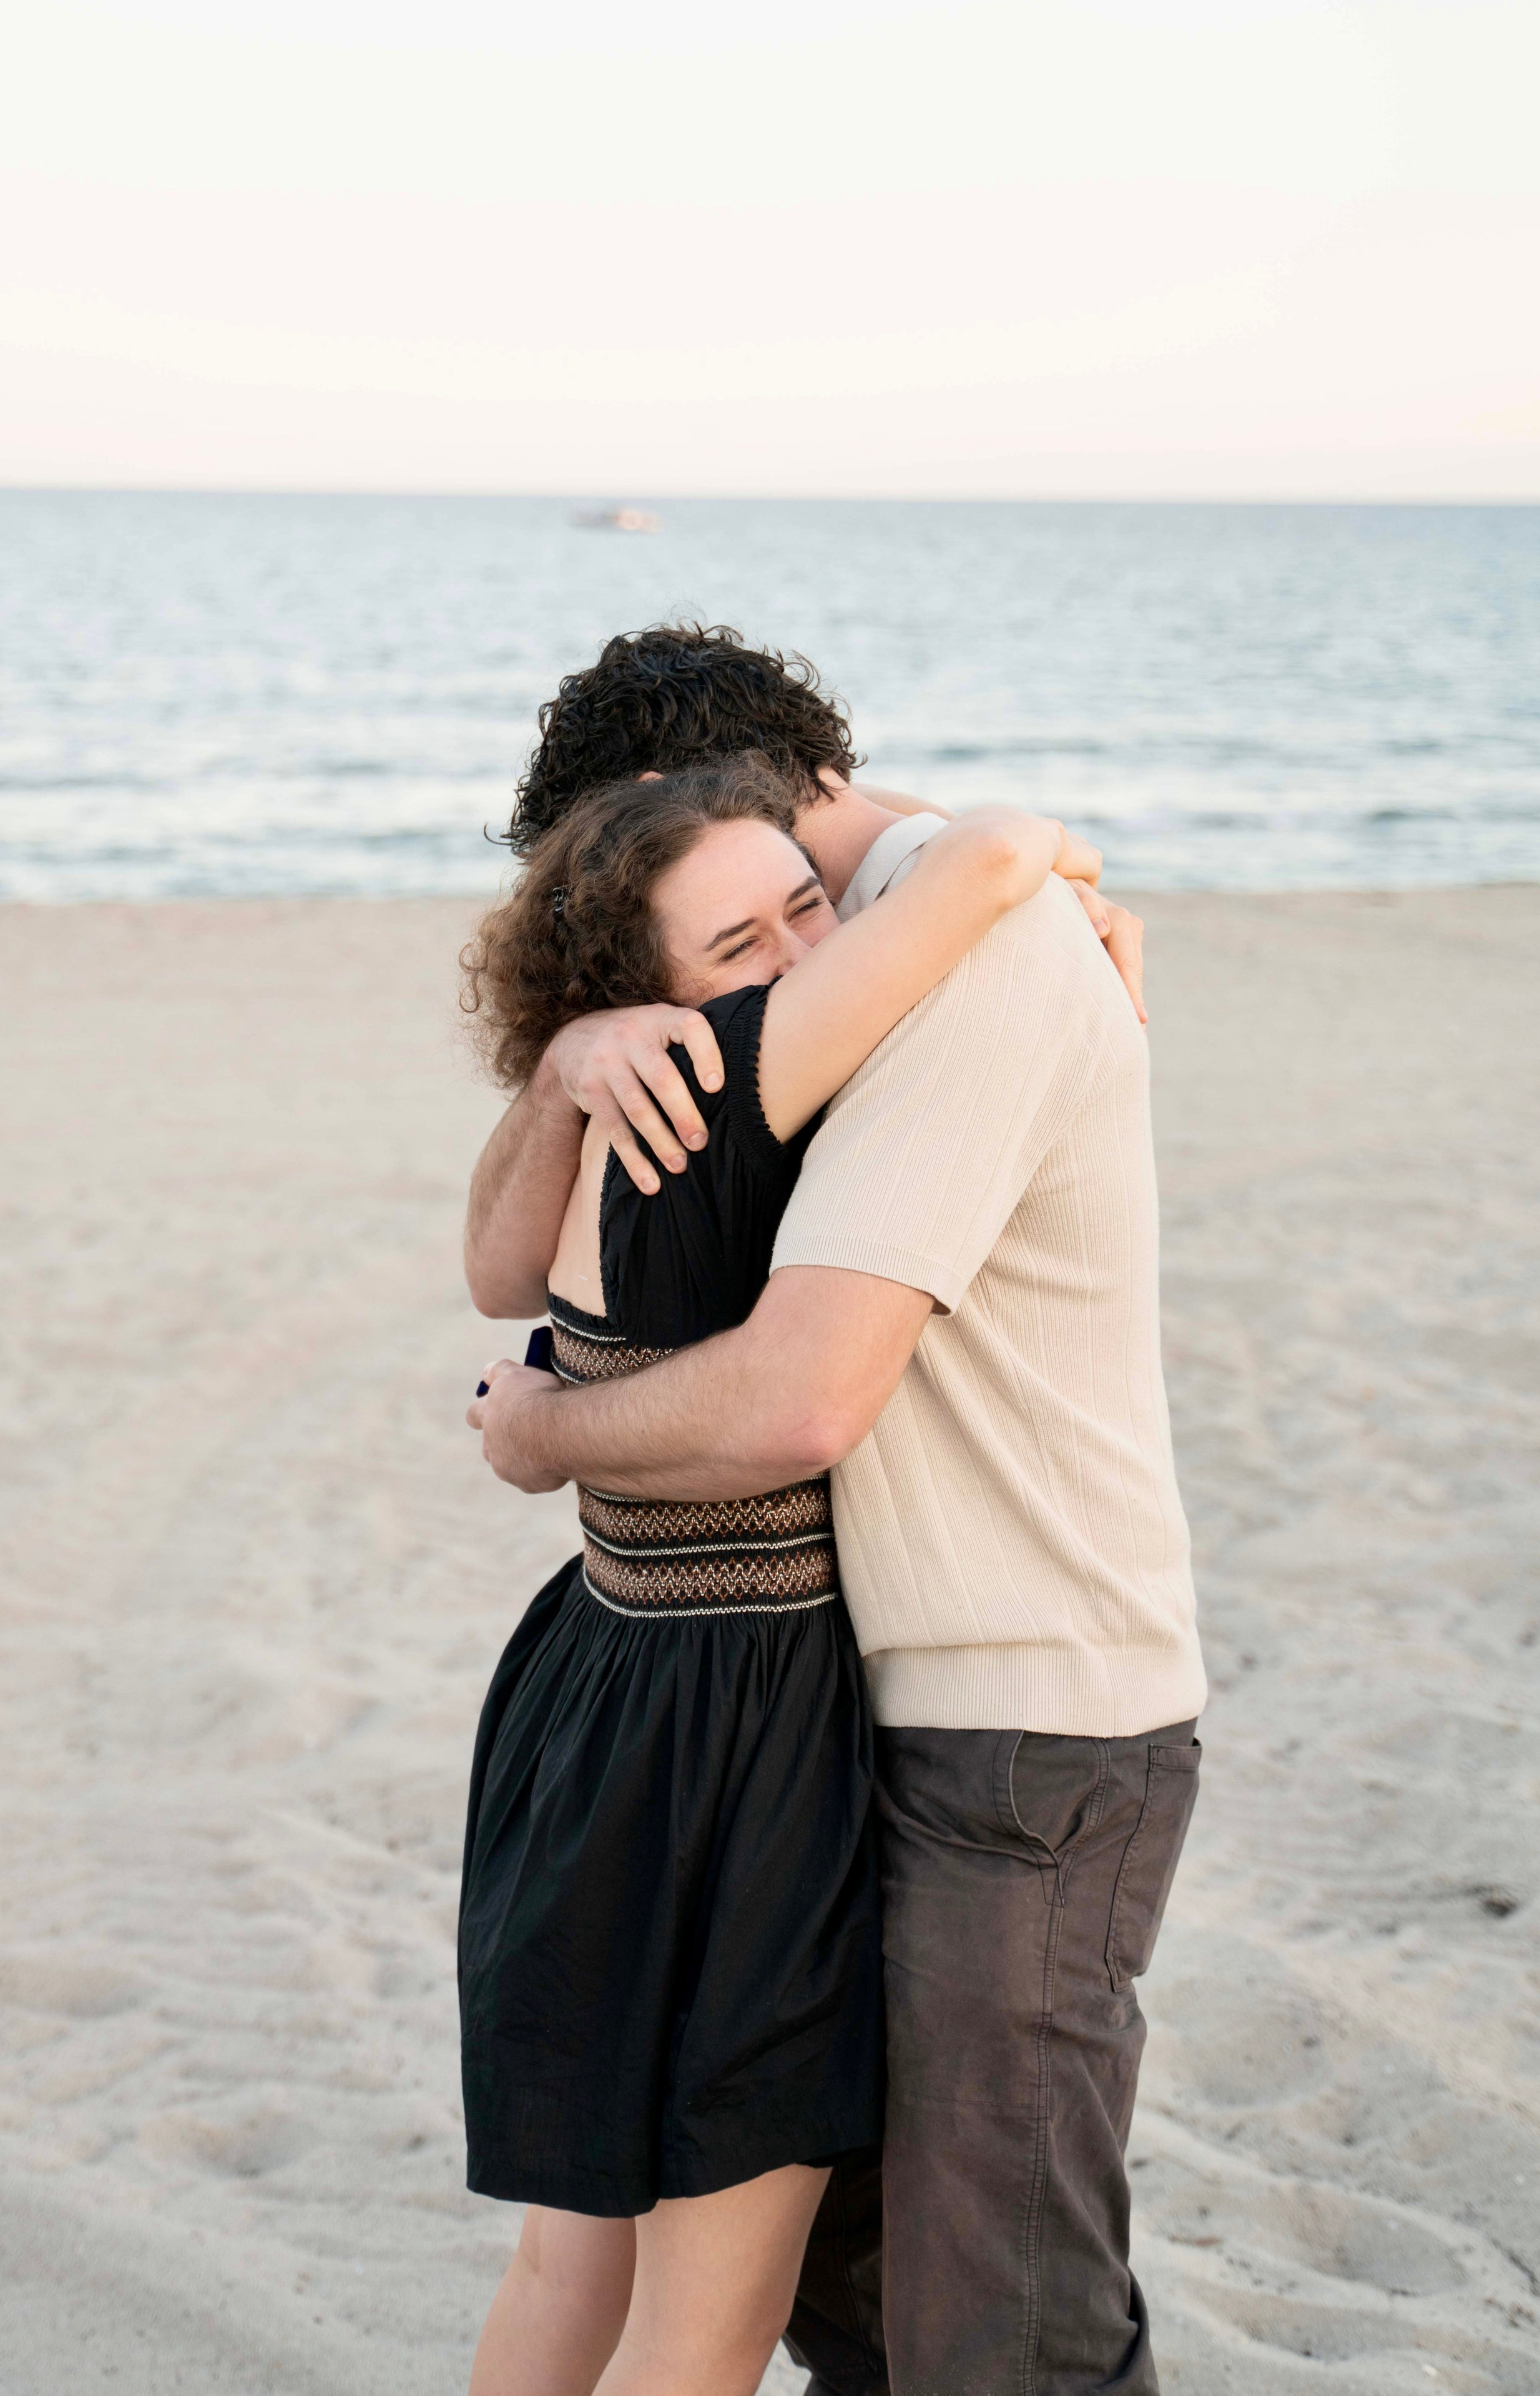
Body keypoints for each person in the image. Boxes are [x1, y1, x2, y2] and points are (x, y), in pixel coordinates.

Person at [468, 639, 1205, 2394]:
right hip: (818, 1714)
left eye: (779, 903)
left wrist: (550, 1431)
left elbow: (800, 1397)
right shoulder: (765, 1010)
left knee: (995, 2316)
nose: (789, 955)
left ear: (768, 799)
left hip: (1011, 1716)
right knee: (852, 2307)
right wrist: (575, 1048)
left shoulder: (961, 958)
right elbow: (503, 1252)